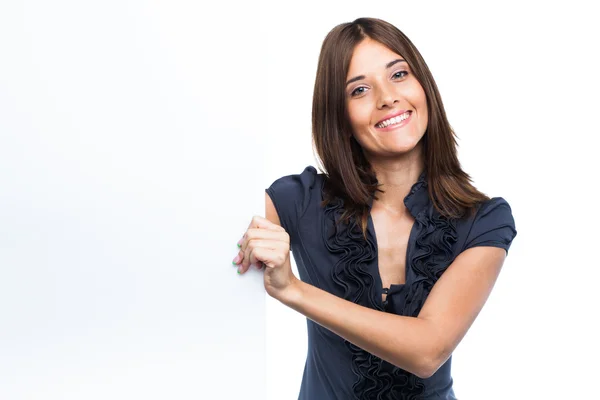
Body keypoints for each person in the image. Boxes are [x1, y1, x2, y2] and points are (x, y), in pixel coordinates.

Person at [232, 17, 517, 400]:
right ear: (341, 117)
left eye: (399, 74)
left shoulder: (483, 220)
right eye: (360, 89)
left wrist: (293, 290)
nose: (387, 97)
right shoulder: (297, 201)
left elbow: (427, 350)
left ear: (424, 88)